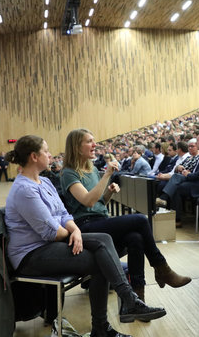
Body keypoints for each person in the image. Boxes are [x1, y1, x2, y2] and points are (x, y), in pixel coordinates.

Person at [4, 135, 166, 337]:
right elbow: (51, 232)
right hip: (31, 255)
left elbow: (64, 214)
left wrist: (76, 230)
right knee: (101, 255)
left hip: (50, 244)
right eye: (46, 151)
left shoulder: (44, 181)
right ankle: (118, 311)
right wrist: (73, 233)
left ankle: (113, 316)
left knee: (102, 247)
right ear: (34, 156)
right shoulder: (24, 189)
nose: (50, 155)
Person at [60, 129, 191, 302]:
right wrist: (107, 175)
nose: (95, 145)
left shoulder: (91, 169)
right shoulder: (69, 172)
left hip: (99, 221)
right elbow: (88, 202)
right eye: (89, 141)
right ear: (77, 147)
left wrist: (109, 193)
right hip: (83, 227)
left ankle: (137, 297)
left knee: (135, 238)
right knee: (140, 220)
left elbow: (99, 204)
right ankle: (162, 268)